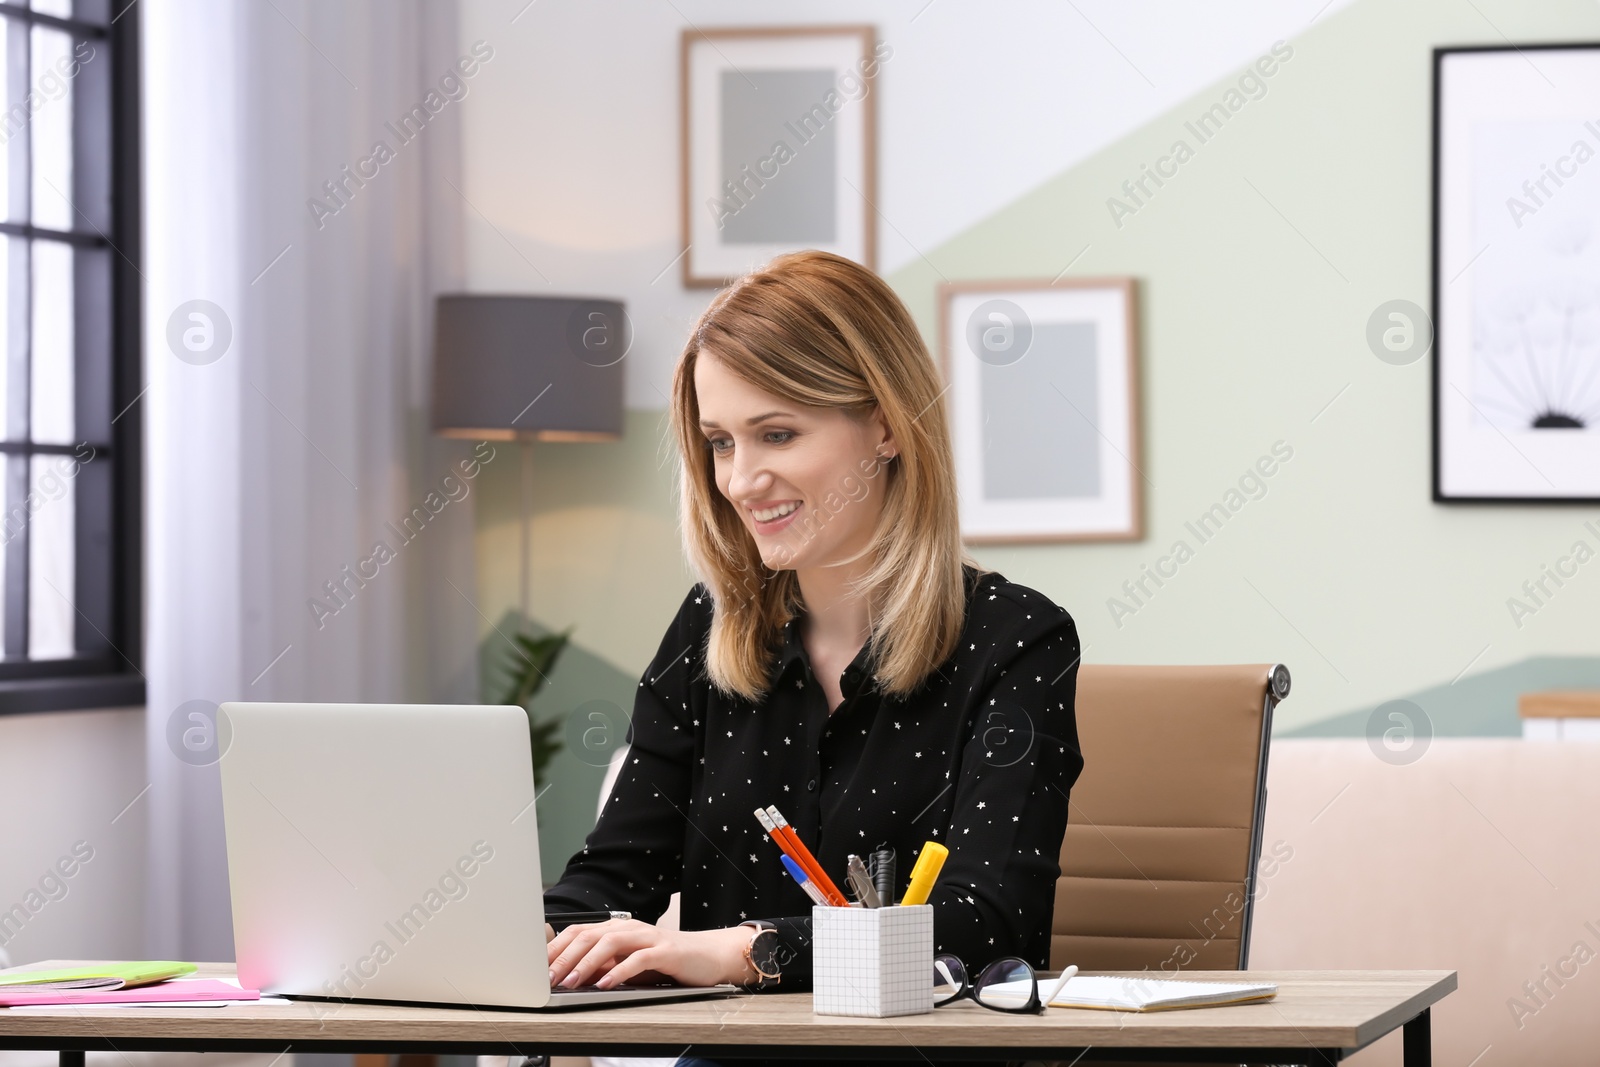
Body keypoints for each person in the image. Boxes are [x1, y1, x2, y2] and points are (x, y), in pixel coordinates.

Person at [542, 250, 1084, 1007]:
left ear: (888, 426)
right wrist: (530, 940)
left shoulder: (1017, 638)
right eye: (722, 441)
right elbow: (610, 879)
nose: (738, 480)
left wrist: (745, 950)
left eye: (778, 434)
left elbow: (988, 923)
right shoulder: (708, 626)